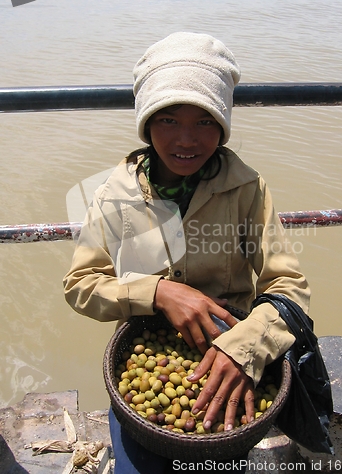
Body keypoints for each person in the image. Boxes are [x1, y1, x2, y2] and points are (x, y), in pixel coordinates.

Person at [63, 32, 310, 473]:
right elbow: (82, 286)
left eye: (205, 122)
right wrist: (157, 294)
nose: (187, 140)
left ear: (223, 125)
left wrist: (245, 347)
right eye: (168, 120)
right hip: (146, 349)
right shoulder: (113, 194)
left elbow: (287, 285)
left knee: (219, 448)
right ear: (146, 121)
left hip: (231, 350)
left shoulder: (246, 189)